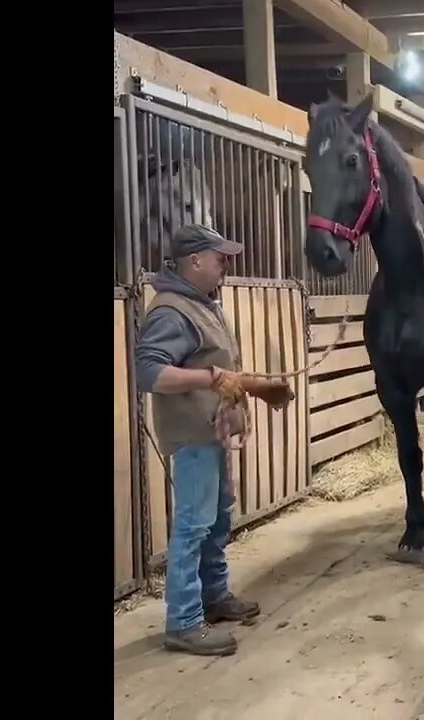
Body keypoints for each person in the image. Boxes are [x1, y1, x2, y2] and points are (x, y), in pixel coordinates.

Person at [134, 224, 295, 656]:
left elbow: (220, 371)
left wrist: (257, 387)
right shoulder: (171, 310)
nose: (226, 266)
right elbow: (149, 372)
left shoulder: (201, 305)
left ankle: (214, 596)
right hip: (192, 434)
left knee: (216, 519)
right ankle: (183, 621)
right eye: (220, 258)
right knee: (193, 525)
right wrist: (212, 377)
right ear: (196, 261)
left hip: (213, 430)